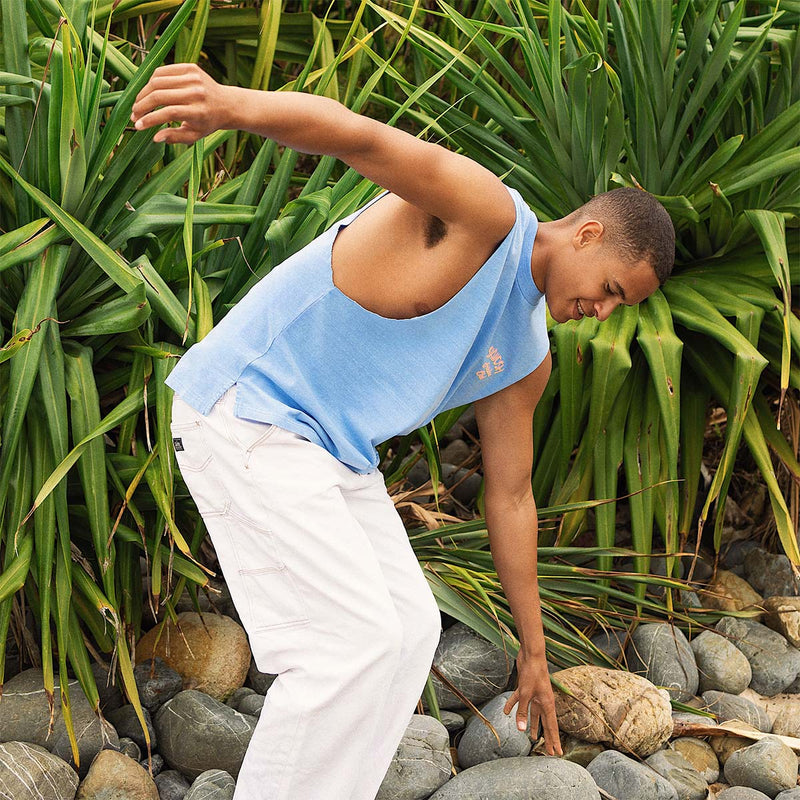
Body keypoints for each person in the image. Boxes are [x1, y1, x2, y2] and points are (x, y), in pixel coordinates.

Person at [131, 63, 674, 799]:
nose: (604, 313)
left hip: (329, 452)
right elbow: (361, 137)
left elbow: (511, 497)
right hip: (246, 410)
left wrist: (535, 652)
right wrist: (230, 105)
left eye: (622, 308)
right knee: (344, 647)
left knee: (409, 631)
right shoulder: (486, 215)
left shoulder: (526, 358)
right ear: (588, 233)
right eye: (612, 289)